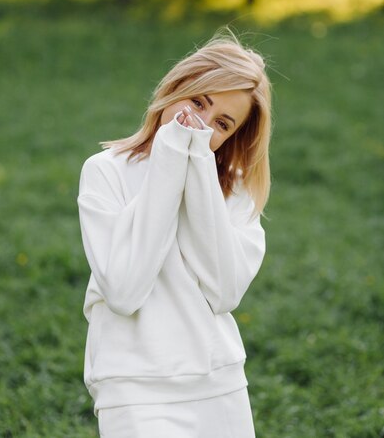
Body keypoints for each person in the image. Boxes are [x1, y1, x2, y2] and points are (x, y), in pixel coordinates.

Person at [77, 31, 272, 438]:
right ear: (176, 86)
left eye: (221, 123)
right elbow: (124, 290)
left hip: (218, 383)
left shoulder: (234, 193)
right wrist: (168, 161)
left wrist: (197, 166)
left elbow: (224, 292)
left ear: (233, 136)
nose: (200, 124)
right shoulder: (105, 171)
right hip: (132, 386)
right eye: (199, 101)